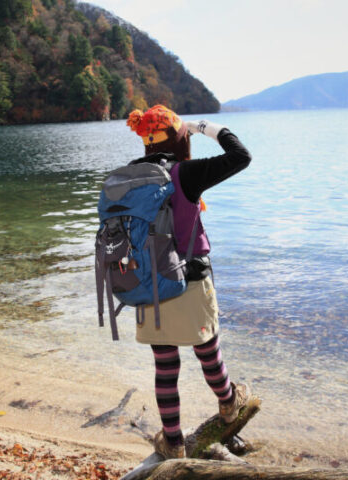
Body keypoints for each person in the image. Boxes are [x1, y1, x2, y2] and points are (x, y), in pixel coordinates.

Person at [126, 104, 253, 459]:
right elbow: (241, 156)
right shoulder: (187, 173)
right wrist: (206, 127)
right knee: (208, 351)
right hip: (190, 278)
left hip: (147, 285)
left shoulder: (131, 178)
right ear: (180, 139)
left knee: (165, 366)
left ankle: (174, 444)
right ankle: (229, 405)